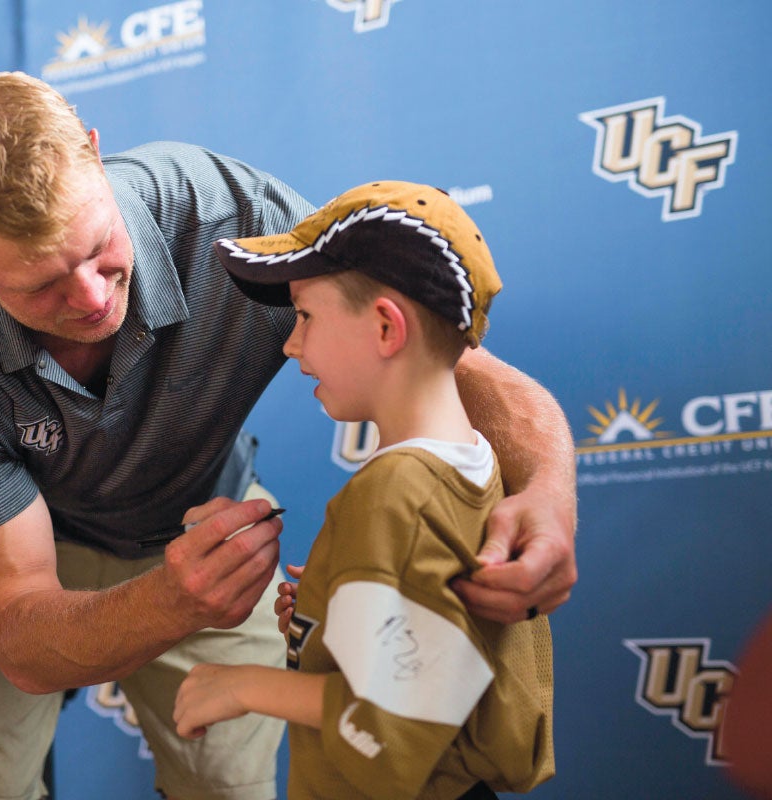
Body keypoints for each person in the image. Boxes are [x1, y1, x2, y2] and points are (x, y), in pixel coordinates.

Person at [0, 71, 576, 800]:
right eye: (40, 285)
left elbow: (458, 366)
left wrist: (549, 494)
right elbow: (19, 630)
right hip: (4, 566)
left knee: (228, 791)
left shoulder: (232, 218)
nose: (89, 296)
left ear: (93, 152)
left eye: (99, 246)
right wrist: (176, 602)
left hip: (202, 527)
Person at [173, 181, 555, 799]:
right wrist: (328, 624)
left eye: (304, 316)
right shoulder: (475, 462)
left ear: (384, 328)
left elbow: (400, 718)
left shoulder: (394, 493)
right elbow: (447, 655)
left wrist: (240, 684)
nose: (291, 344)